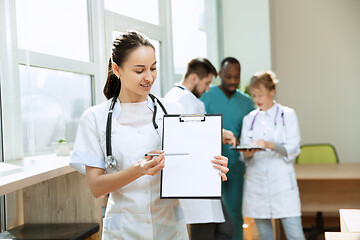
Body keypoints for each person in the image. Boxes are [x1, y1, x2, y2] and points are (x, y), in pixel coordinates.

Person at [69, 31, 229, 240]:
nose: (149, 77)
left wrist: (211, 167)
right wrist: (138, 170)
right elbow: (96, 187)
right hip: (124, 229)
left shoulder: (173, 109)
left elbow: (189, 165)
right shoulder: (95, 118)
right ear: (116, 69)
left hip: (170, 226)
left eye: (153, 68)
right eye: (139, 70)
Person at [165, 57, 235, 240]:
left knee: (225, 229)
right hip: (193, 182)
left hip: (205, 179)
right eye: (207, 83)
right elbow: (181, 137)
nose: (208, 88)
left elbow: (196, 129)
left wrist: (218, 133)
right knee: (207, 233)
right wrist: (214, 133)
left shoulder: (190, 99)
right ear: (194, 78)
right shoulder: (176, 99)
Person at [239, 71, 305, 240]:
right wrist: (248, 153)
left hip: (282, 184)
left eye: (261, 95)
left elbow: (292, 149)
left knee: (295, 235)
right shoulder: (250, 119)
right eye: (254, 95)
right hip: (257, 183)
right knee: (265, 235)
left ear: (272, 91)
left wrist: (270, 145)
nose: (257, 100)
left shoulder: (287, 115)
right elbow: (244, 156)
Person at [200, 57, 255, 240]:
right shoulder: (207, 96)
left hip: (235, 166)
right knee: (210, 215)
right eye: (228, 76)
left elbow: (252, 134)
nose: (233, 81)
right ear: (220, 75)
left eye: (236, 77)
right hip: (210, 166)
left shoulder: (246, 102)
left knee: (234, 212)